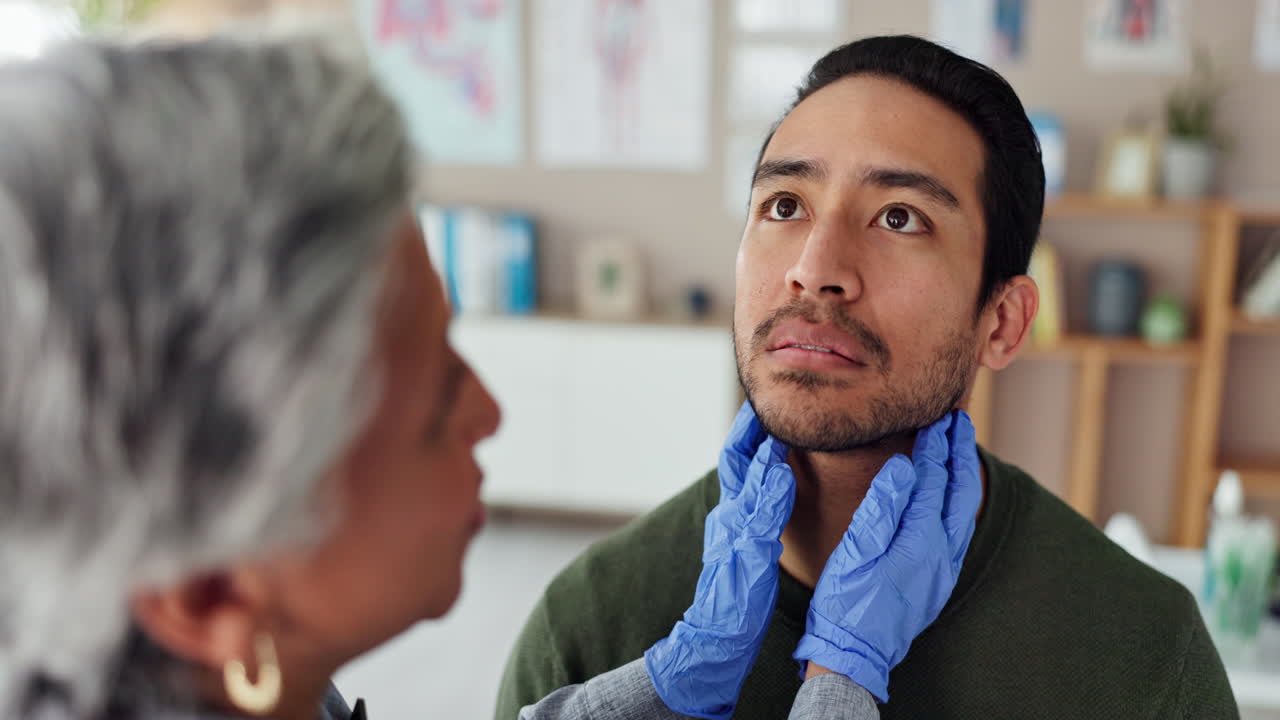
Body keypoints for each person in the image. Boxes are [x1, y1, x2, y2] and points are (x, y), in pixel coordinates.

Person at [0, 34, 980, 720]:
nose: (490, 409)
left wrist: (676, 678)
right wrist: (841, 682)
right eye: (433, 404)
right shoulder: (582, 609)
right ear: (213, 595)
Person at [496, 35, 1240, 720]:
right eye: (784, 205)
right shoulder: (590, 627)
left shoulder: (1145, 658)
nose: (815, 270)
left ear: (1004, 322)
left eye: (900, 218)